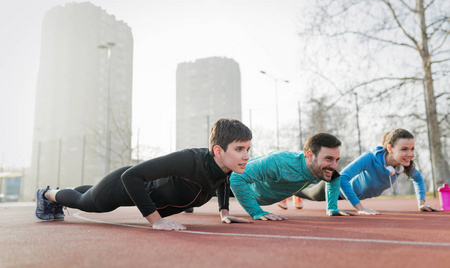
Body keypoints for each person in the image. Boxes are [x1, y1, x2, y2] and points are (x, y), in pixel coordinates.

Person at [34, 118, 253, 230]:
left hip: (132, 191)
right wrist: (155, 221)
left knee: (92, 192)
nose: (246, 156)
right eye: (239, 149)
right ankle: (48, 194)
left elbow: (223, 182)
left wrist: (224, 212)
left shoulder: (223, 168)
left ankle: (81, 190)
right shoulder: (189, 160)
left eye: (248, 149)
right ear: (218, 151)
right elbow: (130, 176)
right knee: (87, 202)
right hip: (122, 188)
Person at [293, 128, 441, 214]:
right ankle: (292, 192)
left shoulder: (403, 165)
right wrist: (360, 208)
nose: (410, 153)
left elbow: (418, 179)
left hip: (348, 195)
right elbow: (343, 177)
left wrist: (421, 203)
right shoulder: (370, 158)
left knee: (310, 184)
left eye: (412, 149)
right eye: (404, 149)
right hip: (335, 189)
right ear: (390, 148)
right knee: (307, 192)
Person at [230, 132, 354, 220]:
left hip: (267, 191)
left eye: (337, 160)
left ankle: (295, 196)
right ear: (310, 156)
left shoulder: (320, 168)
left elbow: (335, 177)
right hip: (229, 183)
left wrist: (332, 208)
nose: (334, 166)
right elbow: (236, 178)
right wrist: (256, 211)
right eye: (328, 159)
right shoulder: (278, 162)